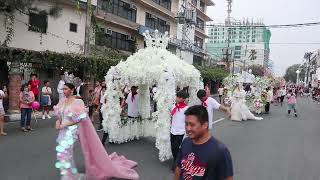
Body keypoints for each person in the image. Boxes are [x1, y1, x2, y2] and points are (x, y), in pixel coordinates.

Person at [54, 83, 139, 180]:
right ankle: (68, 173)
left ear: (72, 90)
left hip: (74, 130)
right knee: (64, 153)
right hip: (63, 130)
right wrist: (58, 123)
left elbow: (81, 118)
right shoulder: (62, 102)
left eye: (65, 89)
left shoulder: (77, 102)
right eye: (63, 89)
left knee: (71, 151)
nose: (64, 91)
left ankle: (71, 174)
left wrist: (66, 124)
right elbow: (59, 116)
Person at [174, 105, 233, 180]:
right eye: (186, 124)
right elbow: (179, 168)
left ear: (205, 125)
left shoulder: (220, 151)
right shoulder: (186, 142)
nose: (188, 128)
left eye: (192, 125)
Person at [170, 90, 189, 171]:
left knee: (178, 148)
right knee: (173, 148)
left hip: (180, 131)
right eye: (177, 96)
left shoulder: (186, 108)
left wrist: (187, 131)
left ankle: (177, 165)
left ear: (183, 99)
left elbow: (187, 121)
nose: (177, 98)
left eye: (178, 97)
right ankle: (176, 161)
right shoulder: (173, 106)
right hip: (172, 130)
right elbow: (171, 117)